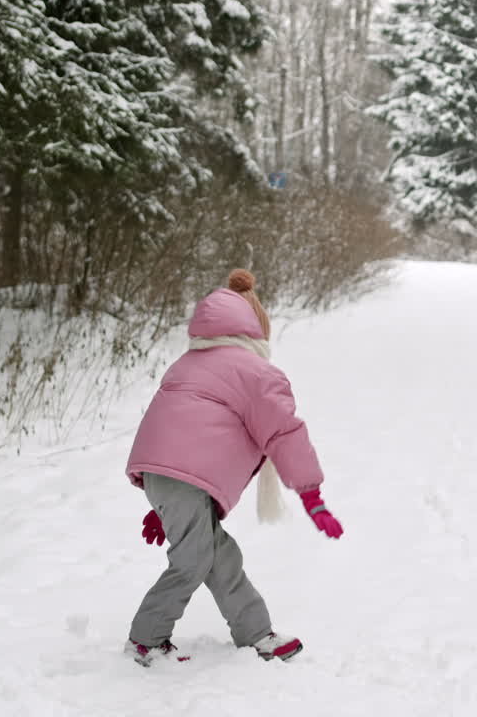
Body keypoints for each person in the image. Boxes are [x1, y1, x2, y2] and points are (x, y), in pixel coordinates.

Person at [123, 269, 344, 667]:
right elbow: (284, 432)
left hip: (166, 476)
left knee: (220, 556)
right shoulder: (257, 373)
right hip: (182, 481)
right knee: (193, 560)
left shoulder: (187, 364)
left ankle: (255, 631)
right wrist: (312, 495)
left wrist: (163, 502)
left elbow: (177, 432)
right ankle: (145, 640)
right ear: (256, 332)